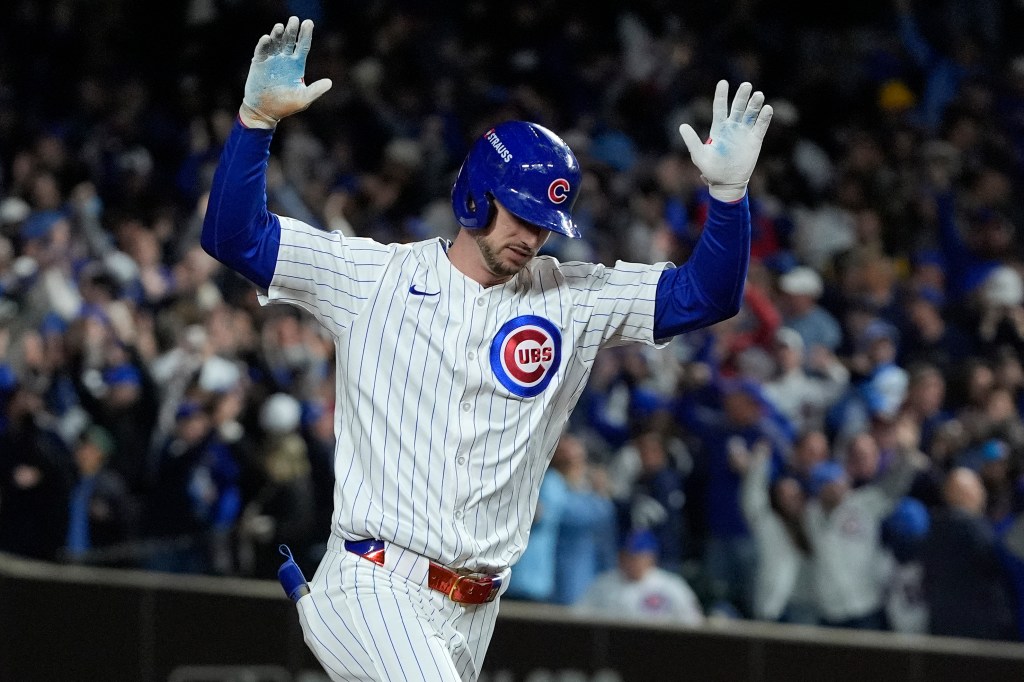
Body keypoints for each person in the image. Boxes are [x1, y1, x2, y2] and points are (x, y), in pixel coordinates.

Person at [201, 16, 772, 682]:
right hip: (374, 580)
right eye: (520, 214)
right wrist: (253, 124)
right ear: (476, 195)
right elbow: (235, 237)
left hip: (475, 611)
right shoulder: (372, 277)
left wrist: (728, 199)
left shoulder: (574, 298)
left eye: (545, 223)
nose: (532, 236)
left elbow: (708, 297)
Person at [575, 528, 705, 626]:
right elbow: (579, 617)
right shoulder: (603, 584)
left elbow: (693, 622)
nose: (632, 561)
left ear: (651, 558)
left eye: (638, 556)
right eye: (627, 555)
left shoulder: (671, 586)